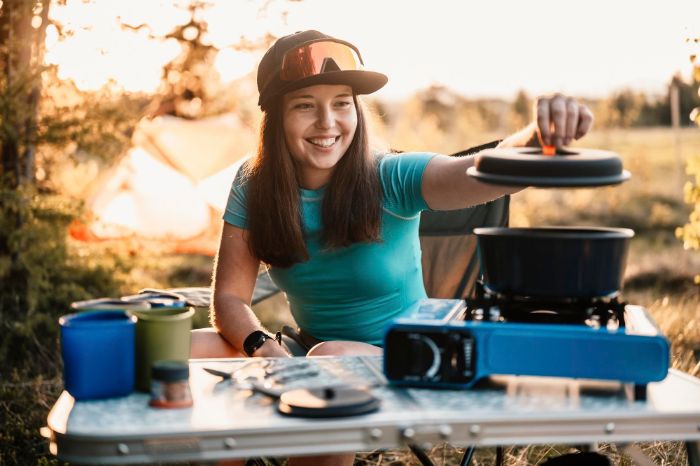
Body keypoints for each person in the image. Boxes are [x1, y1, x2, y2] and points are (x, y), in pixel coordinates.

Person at [191, 29, 593, 466]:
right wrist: (264, 347)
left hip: (413, 358)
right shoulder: (253, 187)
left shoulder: (390, 177)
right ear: (275, 118)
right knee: (191, 348)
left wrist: (538, 136)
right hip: (309, 350)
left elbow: (481, 172)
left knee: (331, 361)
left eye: (342, 103)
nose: (327, 123)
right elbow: (229, 298)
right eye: (305, 105)